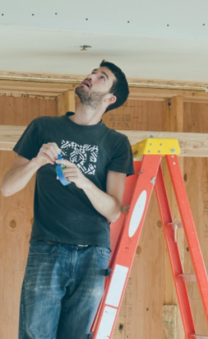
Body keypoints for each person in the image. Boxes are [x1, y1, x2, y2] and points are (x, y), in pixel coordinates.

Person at [1, 60, 135, 339]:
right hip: (47, 248)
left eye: (101, 77)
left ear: (111, 98)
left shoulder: (116, 143)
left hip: (93, 254)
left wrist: (84, 182)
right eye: (92, 73)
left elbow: (113, 210)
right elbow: (7, 188)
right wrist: (36, 161)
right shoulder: (43, 127)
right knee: (35, 334)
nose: (91, 76)